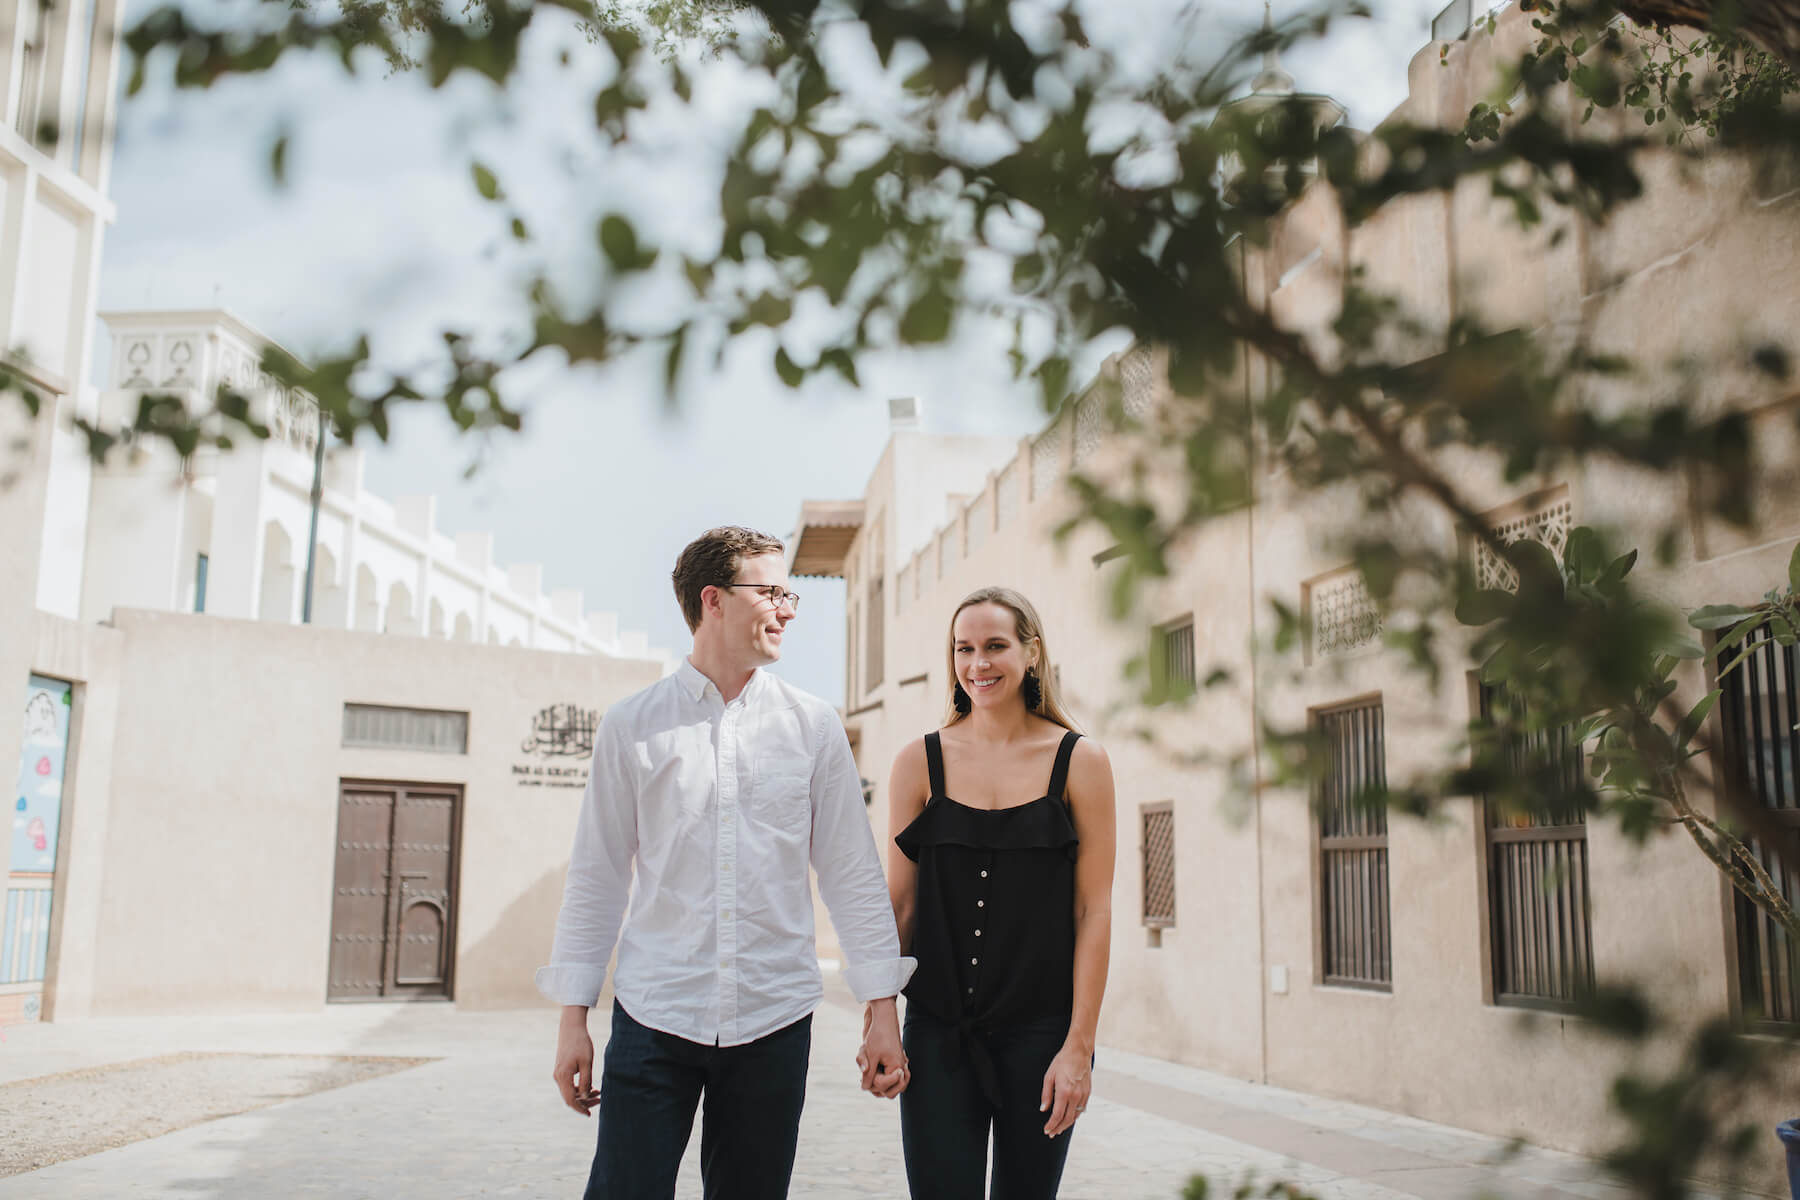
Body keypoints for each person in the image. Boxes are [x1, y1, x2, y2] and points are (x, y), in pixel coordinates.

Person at [536, 526, 915, 1200]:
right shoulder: (633, 725)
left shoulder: (813, 726)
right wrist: (573, 1021)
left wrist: (880, 1007)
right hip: (656, 1015)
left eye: (789, 593)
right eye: (771, 592)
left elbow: (851, 873)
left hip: (774, 1017)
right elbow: (597, 875)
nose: (789, 609)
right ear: (713, 600)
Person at [882, 586, 1117, 1200]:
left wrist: (1079, 1048)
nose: (977, 664)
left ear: (1031, 653)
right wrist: (879, 1017)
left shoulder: (1081, 761)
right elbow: (899, 908)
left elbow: (1093, 910)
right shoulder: (918, 762)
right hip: (936, 1037)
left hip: (1043, 1039)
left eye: (994, 646)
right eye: (964, 649)